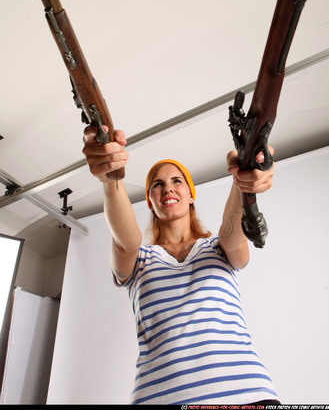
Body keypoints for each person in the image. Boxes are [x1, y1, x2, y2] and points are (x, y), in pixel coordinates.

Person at [82, 124, 280, 406]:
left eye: (177, 181)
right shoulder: (139, 260)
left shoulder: (220, 248)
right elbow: (126, 240)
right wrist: (110, 179)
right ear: (150, 201)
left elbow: (232, 232)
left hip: (246, 394)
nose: (168, 188)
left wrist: (244, 180)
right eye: (157, 184)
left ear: (190, 195)